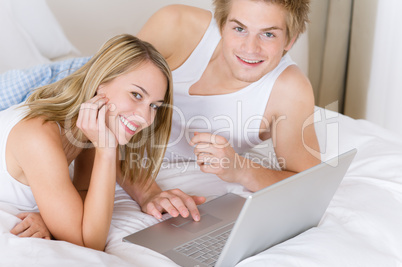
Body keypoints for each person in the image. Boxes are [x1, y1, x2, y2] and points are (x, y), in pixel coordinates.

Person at [4, 0, 320, 236]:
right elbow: (109, 85)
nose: (250, 47)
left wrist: (241, 169)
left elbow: (311, 186)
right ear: (220, 24)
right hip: (70, 112)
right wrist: (146, 191)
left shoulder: (291, 92)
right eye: (238, 28)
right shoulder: (175, 25)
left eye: (268, 34)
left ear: (290, 40)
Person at [1, 34, 173, 250]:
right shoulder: (38, 137)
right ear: (100, 84)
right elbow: (88, 243)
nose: (146, 118)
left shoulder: (87, 125)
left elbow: (83, 194)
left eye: (154, 106)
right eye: (136, 95)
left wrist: (54, 220)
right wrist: (107, 151)